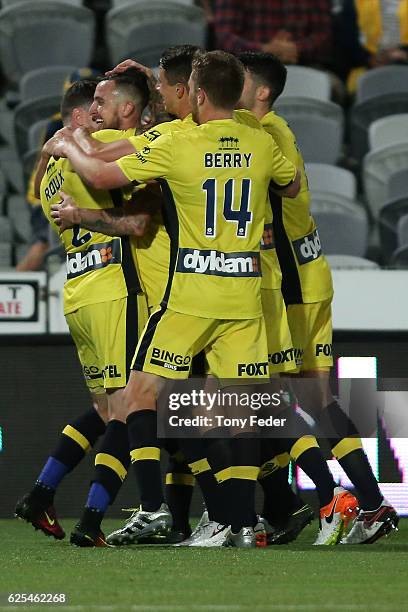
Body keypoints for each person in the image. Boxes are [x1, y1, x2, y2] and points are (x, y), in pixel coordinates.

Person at [53, 47, 358, 549]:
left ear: (196, 94)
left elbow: (102, 176)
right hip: (244, 297)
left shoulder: (183, 143)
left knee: (139, 397)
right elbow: (293, 182)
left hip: (191, 298)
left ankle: (160, 512)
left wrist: (70, 147)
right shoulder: (260, 141)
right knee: (239, 416)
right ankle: (239, 524)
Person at [238, 50, 399, 544]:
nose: (231, 86)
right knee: (308, 400)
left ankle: (330, 500)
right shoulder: (273, 131)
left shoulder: (261, 133)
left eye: (239, 80)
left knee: (265, 399)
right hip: (306, 277)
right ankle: (366, 504)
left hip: (290, 286)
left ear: (262, 91)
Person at [15, 70, 153, 547]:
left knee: (104, 407)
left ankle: (41, 492)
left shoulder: (53, 162)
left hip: (76, 288)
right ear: (76, 114)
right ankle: (93, 520)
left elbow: (38, 185)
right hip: (112, 284)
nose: (98, 114)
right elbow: (134, 195)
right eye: (91, 106)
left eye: (103, 104)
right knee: (126, 412)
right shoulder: (94, 147)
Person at [213, 0, 333, 67]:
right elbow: (225, 37)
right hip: (247, 68)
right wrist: (265, 50)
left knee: (333, 90)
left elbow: (324, 35)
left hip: (306, 66)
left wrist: (295, 49)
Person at [338, 0, 408, 94]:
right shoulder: (355, 3)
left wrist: (403, 54)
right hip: (365, 73)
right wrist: (370, 59)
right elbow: (347, 43)